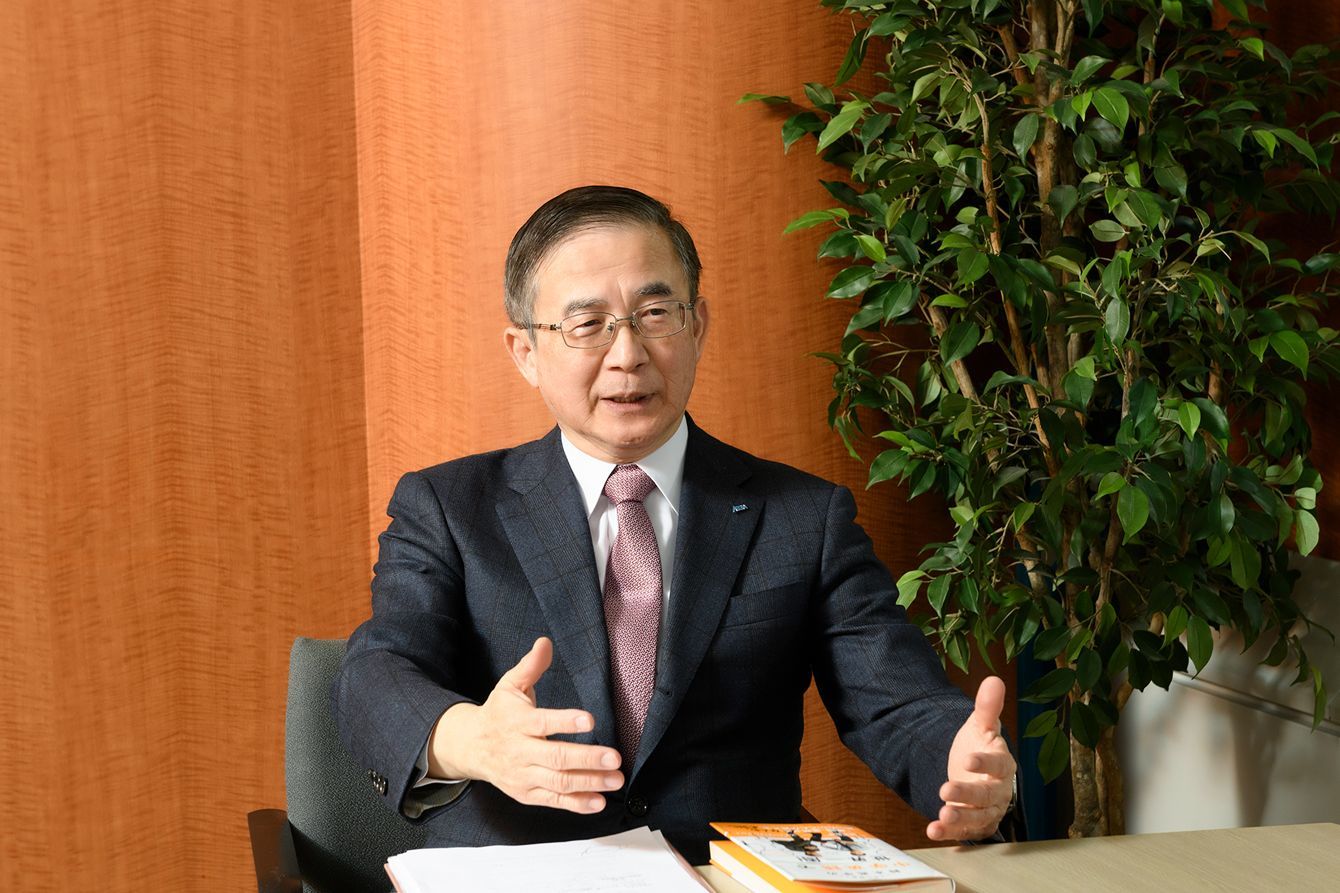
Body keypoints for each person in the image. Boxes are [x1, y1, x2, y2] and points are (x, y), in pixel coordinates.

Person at [332, 185, 1016, 863]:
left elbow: (896, 702)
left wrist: (960, 764)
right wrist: (472, 740)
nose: (627, 353)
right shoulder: (449, 507)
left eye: (655, 313)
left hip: (730, 875)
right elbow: (378, 672)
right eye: (587, 323)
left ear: (697, 326)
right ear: (526, 351)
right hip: (517, 873)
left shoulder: (804, 515)